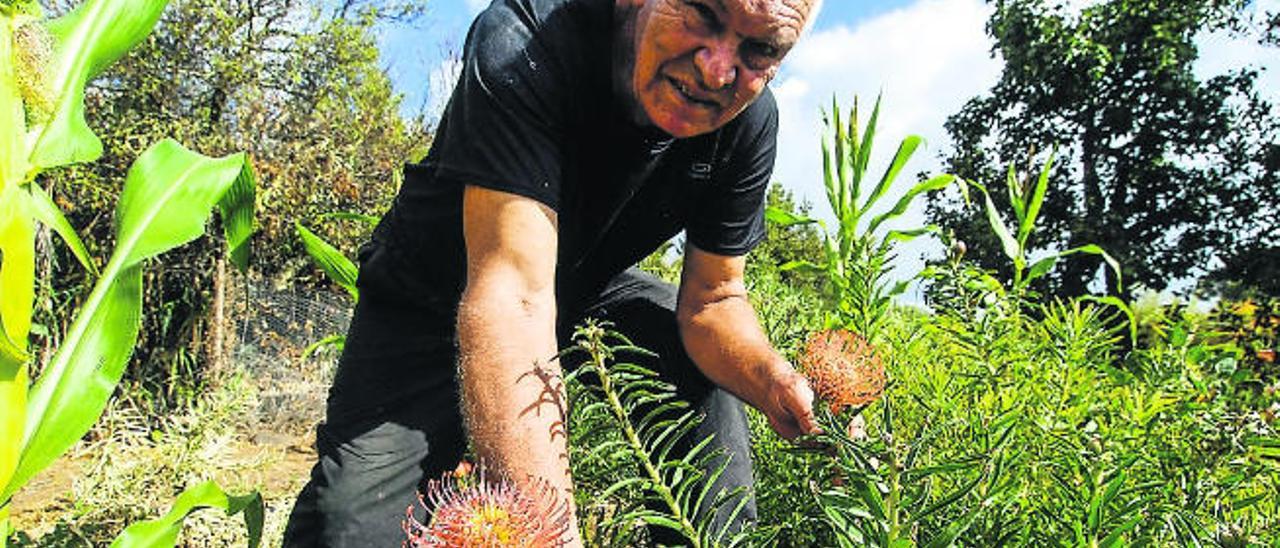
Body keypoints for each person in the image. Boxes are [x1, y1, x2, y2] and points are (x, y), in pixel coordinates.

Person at [283, 0, 822, 545]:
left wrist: (776, 382)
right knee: (349, 527)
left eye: (760, 48)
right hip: (429, 294)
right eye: (704, 14)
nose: (717, 70)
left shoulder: (748, 124)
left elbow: (714, 299)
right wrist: (550, 534)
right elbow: (512, 298)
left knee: (705, 382)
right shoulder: (526, 43)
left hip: (585, 288)